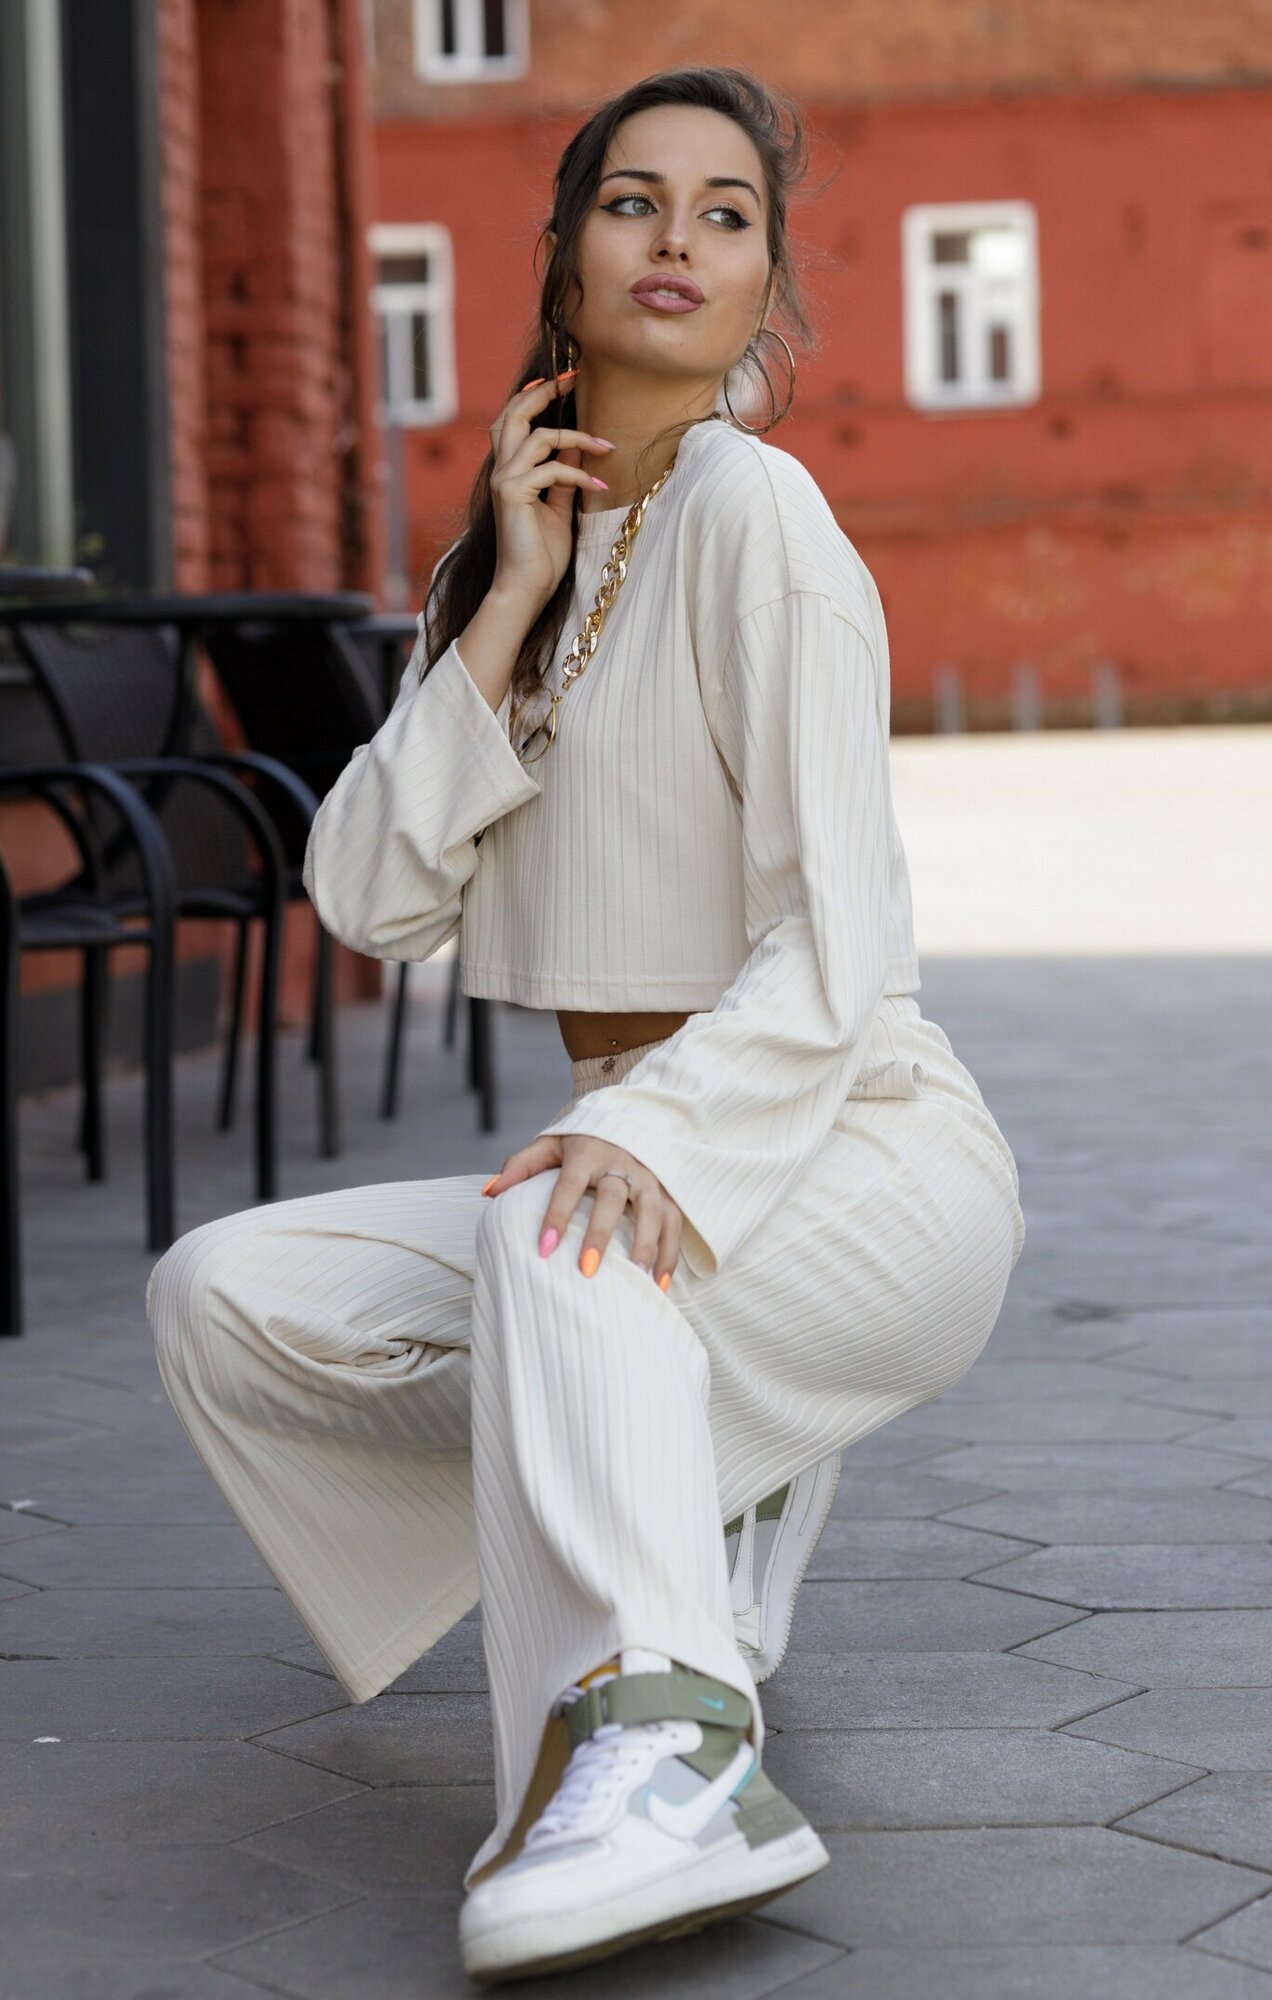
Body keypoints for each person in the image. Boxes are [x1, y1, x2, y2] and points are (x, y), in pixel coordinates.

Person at [147, 64, 1026, 1986]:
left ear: (765, 287)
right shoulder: (517, 565)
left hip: (852, 1140)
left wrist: (650, 1132)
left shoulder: (759, 514)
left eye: (728, 214)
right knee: (228, 1296)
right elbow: (368, 895)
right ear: (561, 258)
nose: (678, 239)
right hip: (640, 1146)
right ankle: (693, 1486)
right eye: (635, 202)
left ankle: (659, 1750)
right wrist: (498, 607)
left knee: (561, 1239)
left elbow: (842, 937)